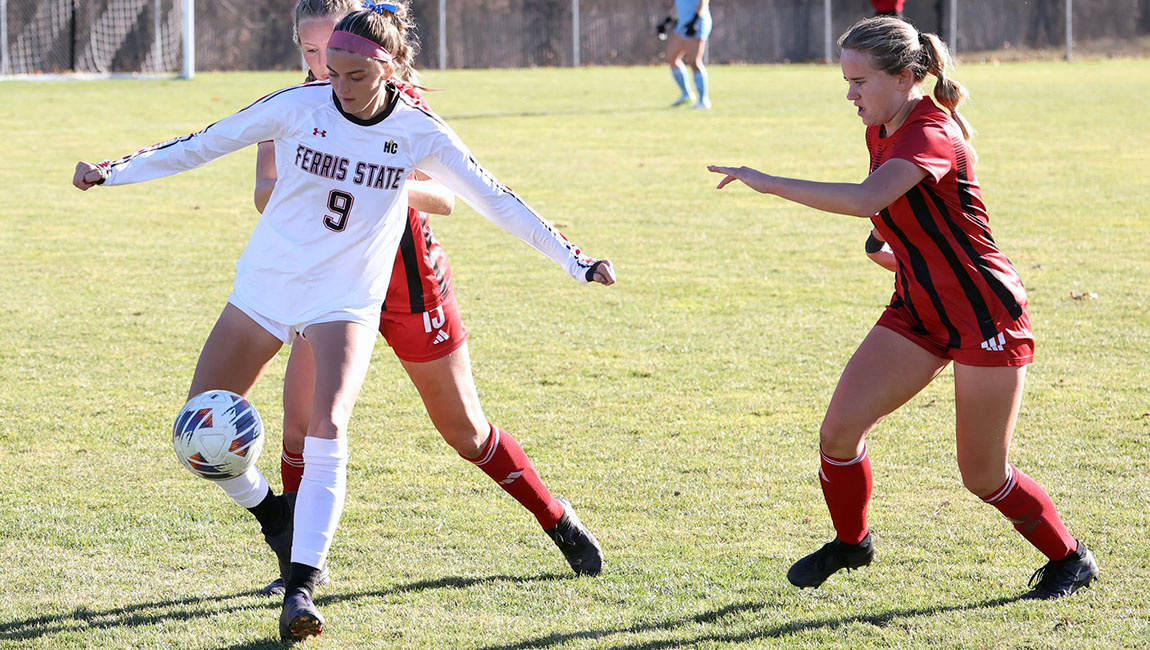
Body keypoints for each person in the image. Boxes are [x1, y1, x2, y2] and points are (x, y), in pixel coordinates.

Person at [73, 2, 617, 641]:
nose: (337, 85)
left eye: (352, 74)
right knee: (198, 425)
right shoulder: (298, 106)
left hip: (351, 298)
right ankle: (276, 518)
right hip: (269, 285)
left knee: (377, 426)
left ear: (388, 68)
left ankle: (302, 587)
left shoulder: (418, 131)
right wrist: (113, 172)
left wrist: (575, 261)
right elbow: (204, 143)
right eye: (327, 68)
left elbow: (491, 199)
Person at [707, 16, 1098, 600]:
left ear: (905, 76)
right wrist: (890, 246)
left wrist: (765, 181)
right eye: (847, 80)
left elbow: (869, 197)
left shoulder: (930, 128)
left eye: (859, 81)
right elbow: (903, 210)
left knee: (982, 475)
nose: (850, 94)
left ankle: (1071, 558)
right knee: (838, 433)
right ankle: (851, 542)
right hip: (918, 306)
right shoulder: (883, 124)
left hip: (983, 314)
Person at [253, 0, 609, 598]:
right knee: (300, 428)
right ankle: (298, 570)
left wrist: (374, 173)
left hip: (409, 284)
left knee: (464, 431)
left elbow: (447, 197)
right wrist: (317, 178)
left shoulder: (402, 106)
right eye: (311, 54)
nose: (323, 66)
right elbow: (265, 193)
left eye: (331, 50)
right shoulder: (287, 110)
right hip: (328, 286)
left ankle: (556, 517)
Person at [665, 0, 712, 109]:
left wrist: (695, 20)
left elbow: (703, 2)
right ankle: (687, 95)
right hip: (682, 25)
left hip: (696, 24)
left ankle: (704, 101)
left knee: (694, 62)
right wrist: (666, 21)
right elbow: (680, 6)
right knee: (671, 58)